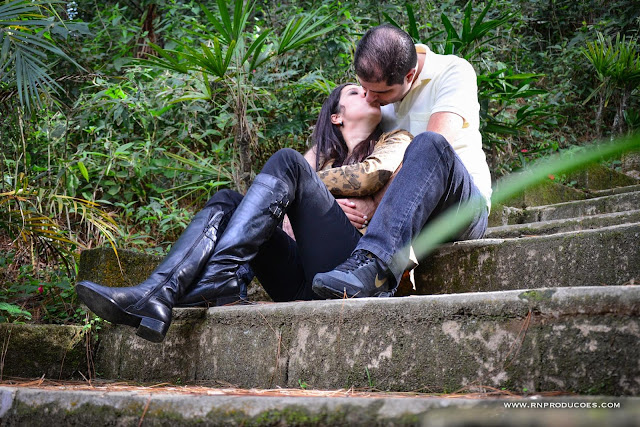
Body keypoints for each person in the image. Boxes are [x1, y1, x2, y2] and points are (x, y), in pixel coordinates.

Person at [76, 83, 412, 343]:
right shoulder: (320, 157)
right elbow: (278, 220)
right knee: (227, 200)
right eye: (355, 91)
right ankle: (159, 291)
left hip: (350, 268)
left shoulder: (396, 139)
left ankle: (216, 277)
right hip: (298, 281)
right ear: (336, 116)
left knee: (287, 162)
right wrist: (314, 194)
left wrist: (309, 187)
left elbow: (371, 175)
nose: (367, 92)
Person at [312, 24, 492, 299]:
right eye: (363, 88)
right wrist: (306, 186)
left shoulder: (452, 72)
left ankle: (377, 270)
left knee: (429, 143)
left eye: (380, 94)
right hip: (399, 223)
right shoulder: (377, 91)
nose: (370, 98)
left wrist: (374, 204)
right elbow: (331, 148)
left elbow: (435, 152)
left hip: (460, 208)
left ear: (409, 76)